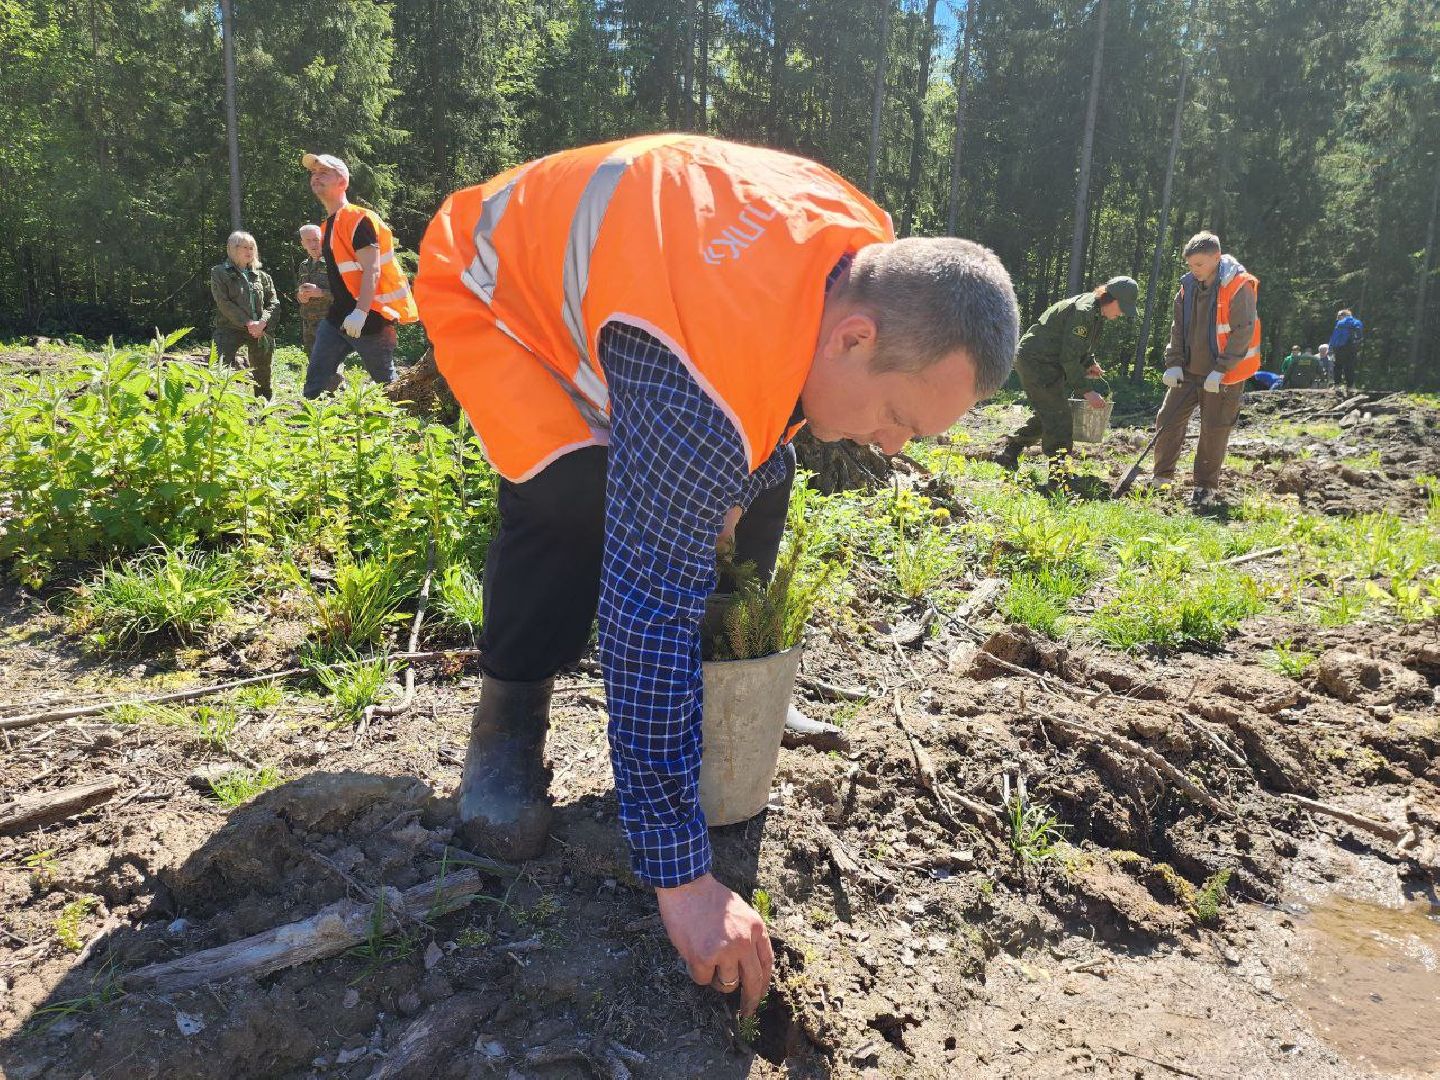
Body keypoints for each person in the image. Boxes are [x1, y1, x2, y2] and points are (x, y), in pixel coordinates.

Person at [416, 134, 1020, 1017]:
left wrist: (730, 484)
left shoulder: (866, 256)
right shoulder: (703, 377)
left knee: (764, 470)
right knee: (572, 493)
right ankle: (508, 722)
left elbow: (770, 407)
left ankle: (727, 691)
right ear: (854, 336)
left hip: (656, 294)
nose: (892, 446)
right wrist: (683, 878)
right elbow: (644, 616)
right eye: (898, 415)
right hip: (500, 292)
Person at [1150, 231, 1260, 508]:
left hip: (1223, 375)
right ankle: (1162, 478)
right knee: (1167, 420)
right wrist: (1174, 363)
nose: (1194, 270)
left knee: (1213, 430)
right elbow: (1178, 329)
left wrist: (1221, 369)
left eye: (1199, 264)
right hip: (1188, 371)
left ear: (1216, 257)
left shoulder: (1238, 286)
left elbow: (1243, 331)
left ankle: (1204, 489)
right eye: (1190, 264)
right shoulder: (1187, 287)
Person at [300, 152, 418, 398]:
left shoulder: (358, 219)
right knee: (315, 382)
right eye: (314, 172)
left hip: (370, 318)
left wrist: (360, 313)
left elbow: (372, 269)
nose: (316, 176)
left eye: (324, 172)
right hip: (337, 317)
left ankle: (407, 420)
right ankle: (312, 420)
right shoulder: (327, 226)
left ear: (342, 181)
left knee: (388, 388)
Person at [994, 276, 1138, 474]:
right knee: (1060, 416)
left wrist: (1089, 363)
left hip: (1046, 362)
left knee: (1051, 410)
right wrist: (1087, 391)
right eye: (1122, 308)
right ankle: (1059, 475)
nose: (1121, 314)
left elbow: (1078, 347)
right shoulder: (1084, 312)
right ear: (1111, 299)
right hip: (1036, 362)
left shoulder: (1096, 311)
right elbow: (1069, 358)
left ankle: (1010, 451)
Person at [209, 230, 279, 398]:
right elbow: (223, 303)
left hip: (260, 330)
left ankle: (263, 404)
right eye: (245, 247)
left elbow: (274, 303)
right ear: (233, 248)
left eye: (252, 247)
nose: (249, 251)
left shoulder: (263, 276)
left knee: (262, 372)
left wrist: (262, 323)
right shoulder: (219, 272)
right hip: (229, 328)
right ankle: (216, 404)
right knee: (218, 368)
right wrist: (248, 323)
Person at [295, 223, 332, 354]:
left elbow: (346, 293)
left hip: (329, 323)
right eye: (308, 240)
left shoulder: (334, 262)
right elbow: (298, 290)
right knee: (314, 362)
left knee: (331, 362)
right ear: (303, 244)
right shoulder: (304, 266)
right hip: (308, 324)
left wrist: (321, 293)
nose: (313, 244)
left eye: (316, 239)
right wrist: (300, 297)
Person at [1328, 308, 1364, 391]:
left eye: (1339, 316)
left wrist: (1330, 347)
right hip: (1352, 347)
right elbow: (1360, 335)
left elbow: (1334, 336)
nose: (1337, 318)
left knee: (1338, 366)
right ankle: (1350, 386)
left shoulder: (1340, 323)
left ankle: (1337, 385)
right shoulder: (1357, 322)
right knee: (1350, 366)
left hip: (1340, 347)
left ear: (1344, 315)